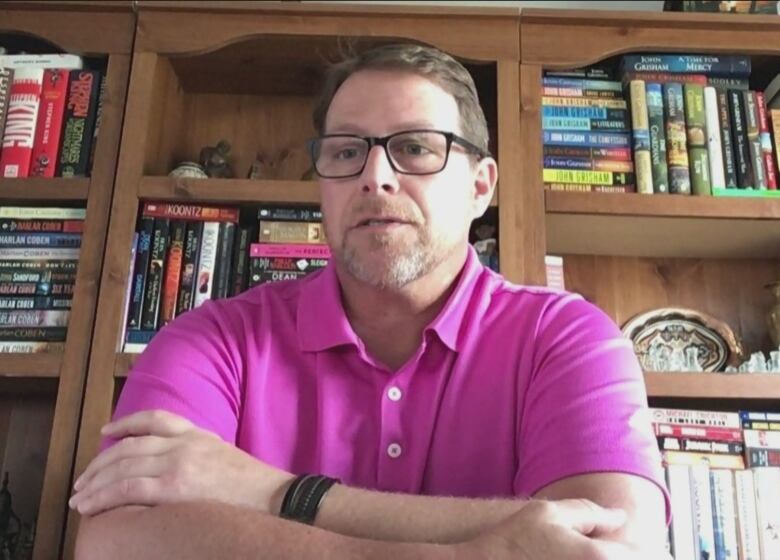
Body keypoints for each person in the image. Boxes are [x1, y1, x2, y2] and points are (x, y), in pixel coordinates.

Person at [71, 43, 670, 559]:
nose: (374, 176)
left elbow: (613, 548)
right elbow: (116, 543)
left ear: (480, 186)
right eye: (345, 151)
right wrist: (479, 550)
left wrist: (270, 493)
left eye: (414, 147)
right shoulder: (212, 341)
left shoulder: (565, 337)